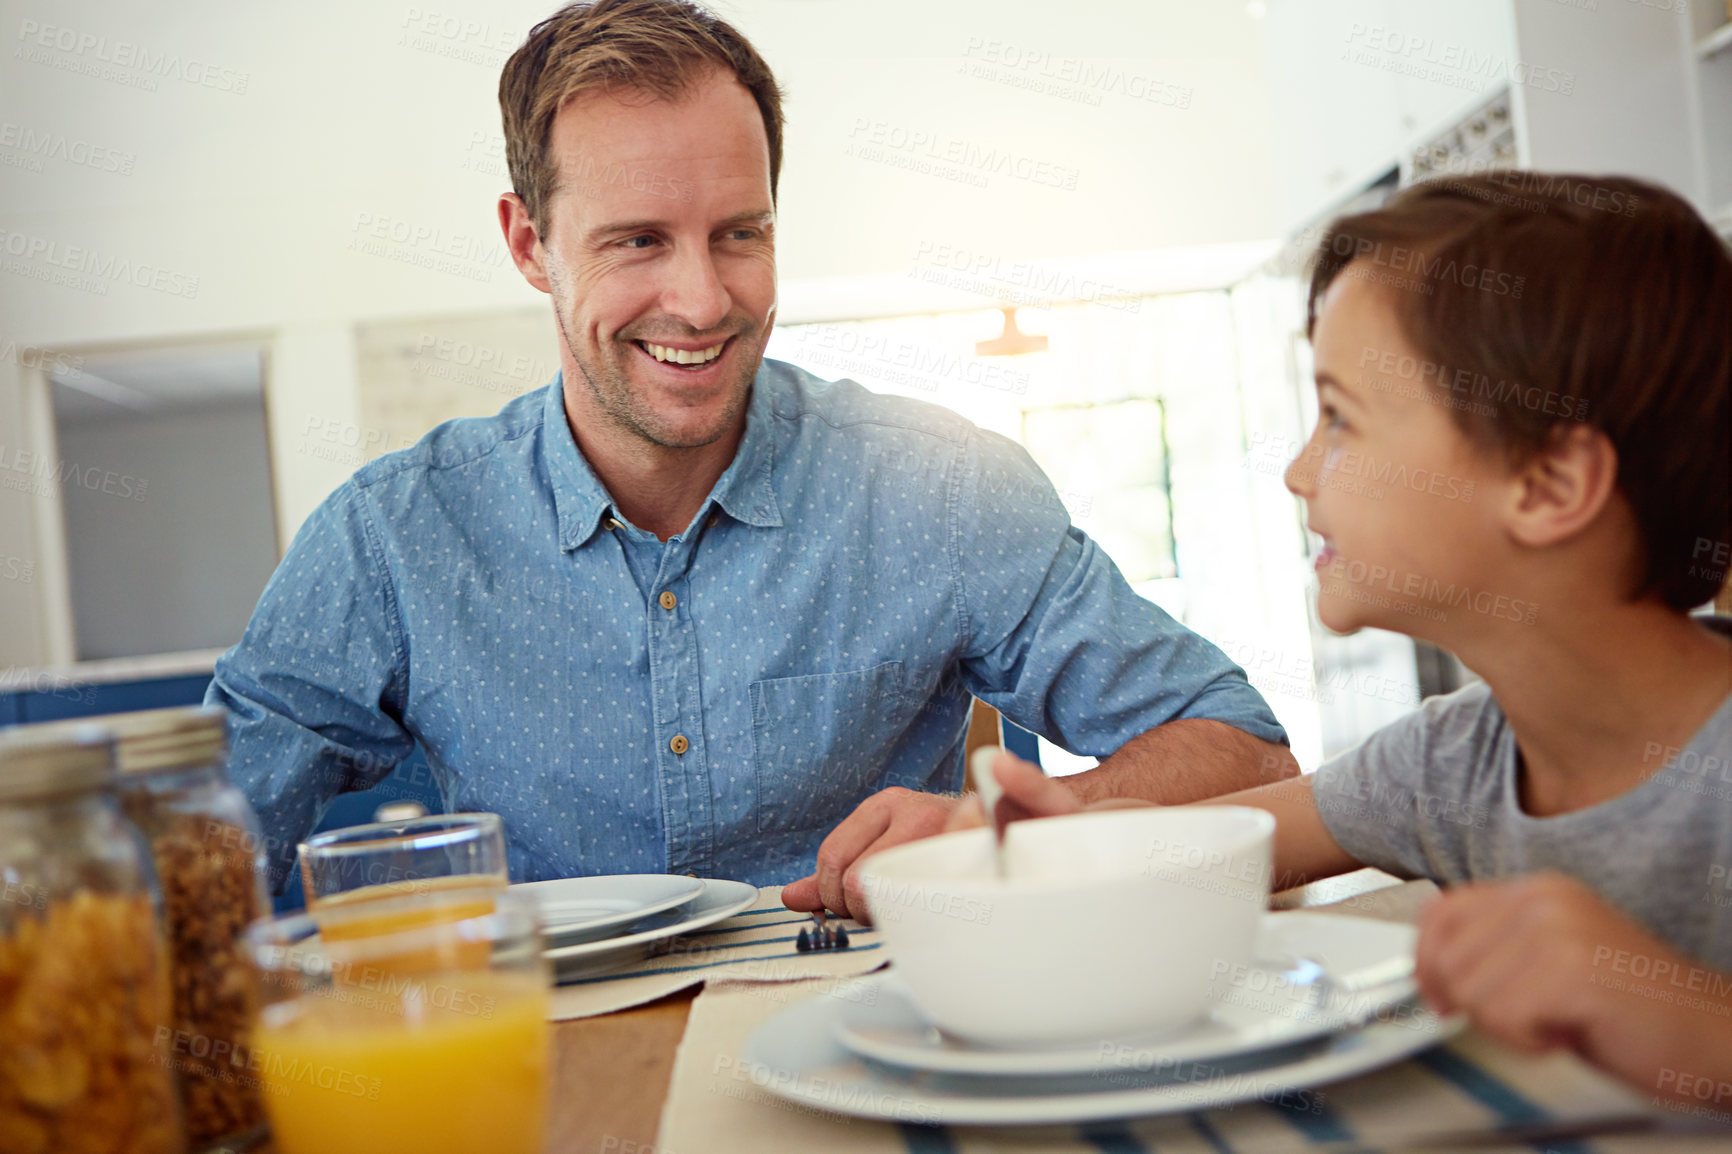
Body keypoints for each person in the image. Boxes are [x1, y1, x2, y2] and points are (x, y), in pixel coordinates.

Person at [207, 0, 1297, 898]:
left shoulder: (939, 488)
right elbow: (194, 861)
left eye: (741, 232)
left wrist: (1008, 830)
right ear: (530, 245)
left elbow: (1243, 748)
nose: (702, 299)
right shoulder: (392, 539)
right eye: (638, 240)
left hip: (884, 1054)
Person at [956, 171, 1732, 1108]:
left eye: (1342, 418)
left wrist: (1691, 1025)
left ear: (1549, 486)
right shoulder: (1451, 764)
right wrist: (1061, 836)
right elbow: (1218, 846)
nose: (1296, 469)